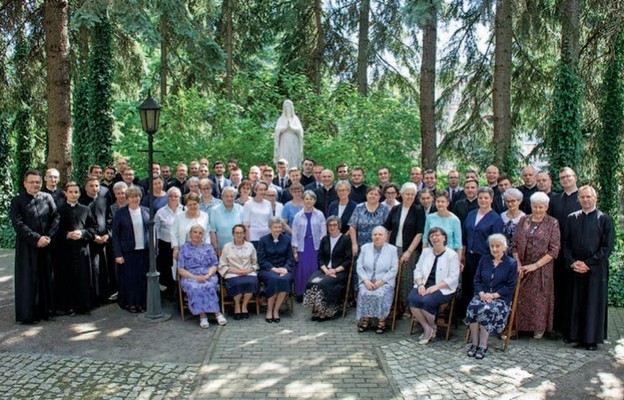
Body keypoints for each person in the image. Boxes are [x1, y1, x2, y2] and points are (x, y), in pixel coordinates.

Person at [561, 186, 614, 350]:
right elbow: (565, 243)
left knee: (592, 304)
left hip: (595, 271)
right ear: (578, 199)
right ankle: (575, 336)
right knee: (575, 302)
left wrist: (588, 264)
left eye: (588, 197)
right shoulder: (571, 218)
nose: (585, 200)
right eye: (582, 197)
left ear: (595, 198)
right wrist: (572, 262)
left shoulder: (605, 219)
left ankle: (591, 340)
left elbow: (606, 247)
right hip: (575, 268)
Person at [10, 170, 60, 324]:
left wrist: (48, 237)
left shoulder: (47, 197)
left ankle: (47, 311)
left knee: (46, 277)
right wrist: (36, 238)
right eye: (31, 182)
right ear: (25, 183)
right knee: (28, 279)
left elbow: (55, 217)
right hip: (27, 246)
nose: (35, 185)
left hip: (46, 245)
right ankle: (28, 315)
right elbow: (18, 224)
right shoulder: (17, 201)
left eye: (37, 182)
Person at [512, 192, 560, 339]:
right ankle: (519, 327)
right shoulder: (523, 220)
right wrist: (518, 264)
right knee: (521, 297)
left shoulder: (552, 223)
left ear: (546, 207)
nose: (538, 210)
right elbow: (513, 245)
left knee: (539, 299)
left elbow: (554, 250)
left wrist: (536, 265)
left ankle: (539, 328)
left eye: (541, 207)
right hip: (523, 267)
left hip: (541, 269)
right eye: (535, 206)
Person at [464, 234, 518, 360]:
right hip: (482, 295)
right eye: (492, 246)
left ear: (504, 247)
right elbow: (477, 280)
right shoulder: (484, 259)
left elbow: (510, 287)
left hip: (500, 299)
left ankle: (483, 345)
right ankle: (474, 343)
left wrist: (493, 296)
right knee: (473, 306)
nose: (494, 249)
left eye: (497, 246)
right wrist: (482, 293)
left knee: (487, 309)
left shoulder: (511, 263)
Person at [408, 227, 460, 344]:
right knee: (412, 298)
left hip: (443, 288)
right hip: (424, 284)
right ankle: (428, 328)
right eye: (432, 236)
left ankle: (431, 326)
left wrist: (436, 287)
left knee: (427, 301)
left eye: (437, 235)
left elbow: (453, 277)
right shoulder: (426, 252)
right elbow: (418, 270)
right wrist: (420, 285)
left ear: (444, 238)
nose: (434, 238)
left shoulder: (452, 255)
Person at [382, 182, 425, 318]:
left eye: (413, 194)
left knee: (407, 279)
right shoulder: (395, 209)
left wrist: (409, 251)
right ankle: (396, 306)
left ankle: (408, 308)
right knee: (394, 277)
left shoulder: (418, 210)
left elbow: (420, 233)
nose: (410, 197)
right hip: (394, 248)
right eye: (407, 194)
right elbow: (387, 228)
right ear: (401, 194)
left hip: (410, 250)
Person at [460, 187, 504, 317]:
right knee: (468, 286)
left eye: (486, 198)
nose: (483, 200)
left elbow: (497, 242)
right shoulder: (471, 214)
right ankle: (467, 316)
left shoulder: (496, 219)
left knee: (480, 287)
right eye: (480, 198)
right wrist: (462, 255)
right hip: (469, 257)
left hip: (485, 258)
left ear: (491, 199)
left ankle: (480, 316)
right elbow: (464, 236)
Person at [56, 182, 98, 316]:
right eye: (71, 192)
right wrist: (67, 235)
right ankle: (69, 307)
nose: (74, 195)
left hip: (82, 249)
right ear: (66, 194)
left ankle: (84, 306)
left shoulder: (86, 209)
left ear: (79, 194)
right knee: (67, 279)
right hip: (65, 250)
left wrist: (82, 233)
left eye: (76, 192)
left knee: (83, 277)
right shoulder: (59, 210)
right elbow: (55, 230)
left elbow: (93, 228)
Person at [177, 224, 227, 328]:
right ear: (190, 234)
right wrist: (195, 278)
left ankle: (216, 313)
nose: (197, 235)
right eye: (195, 232)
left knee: (209, 285)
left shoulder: (208, 247)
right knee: (196, 287)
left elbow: (214, 265)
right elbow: (180, 269)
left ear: (203, 235)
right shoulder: (184, 248)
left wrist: (207, 275)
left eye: (200, 233)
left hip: (207, 274)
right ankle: (203, 315)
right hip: (190, 276)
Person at [303, 216, 353, 321]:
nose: (332, 227)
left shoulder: (346, 239)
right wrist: (326, 270)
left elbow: (348, 260)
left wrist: (334, 270)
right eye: (329, 225)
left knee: (323, 283)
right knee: (311, 282)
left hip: (339, 271)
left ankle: (326, 311)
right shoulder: (325, 239)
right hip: (324, 270)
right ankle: (318, 308)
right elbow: (320, 257)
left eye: (334, 225)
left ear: (339, 226)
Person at [112, 187, 149, 313]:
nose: (135, 199)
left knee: (142, 279)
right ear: (128, 199)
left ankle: (142, 303)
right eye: (132, 197)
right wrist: (118, 254)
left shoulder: (146, 211)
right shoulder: (121, 213)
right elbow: (115, 235)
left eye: (137, 196)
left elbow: (151, 231)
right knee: (130, 279)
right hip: (128, 252)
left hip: (143, 251)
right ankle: (131, 303)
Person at [356, 226, 398, 334]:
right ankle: (366, 319)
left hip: (384, 282)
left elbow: (394, 269)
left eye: (380, 234)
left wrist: (381, 281)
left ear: (386, 237)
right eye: (375, 234)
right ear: (371, 236)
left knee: (380, 294)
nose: (377, 237)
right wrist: (365, 280)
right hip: (367, 281)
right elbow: (359, 266)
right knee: (364, 292)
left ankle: (381, 321)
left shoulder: (392, 249)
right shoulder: (365, 248)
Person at [257, 217, 295, 323]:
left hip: (283, 269)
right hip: (267, 270)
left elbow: (290, 258)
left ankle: (276, 310)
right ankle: (269, 310)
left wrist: (285, 268)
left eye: (279, 227)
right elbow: (261, 259)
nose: (277, 229)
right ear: (270, 228)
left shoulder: (286, 240)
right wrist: (274, 269)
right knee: (273, 279)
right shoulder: (263, 240)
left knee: (285, 279)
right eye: (275, 227)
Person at [218, 225, 259, 320]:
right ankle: (237, 305)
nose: (239, 235)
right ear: (233, 234)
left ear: (244, 234)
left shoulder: (250, 246)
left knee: (251, 282)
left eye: (241, 233)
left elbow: (255, 263)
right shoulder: (227, 246)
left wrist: (249, 270)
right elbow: (222, 265)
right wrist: (235, 271)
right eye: (237, 233)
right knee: (237, 283)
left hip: (248, 272)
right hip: (232, 273)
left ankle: (244, 305)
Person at [291, 191, 327, 300]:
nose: (309, 201)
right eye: (306, 199)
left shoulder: (319, 214)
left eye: (311, 199)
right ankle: (301, 293)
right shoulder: (298, 216)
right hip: (303, 246)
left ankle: (314, 294)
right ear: (303, 200)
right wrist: (295, 250)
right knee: (302, 269)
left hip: (316, 245)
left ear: (315, 201)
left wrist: (322, 246)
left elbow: (323, 231)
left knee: (314, 268)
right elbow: (294, 233)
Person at [154, 187, 184, 299]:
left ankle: (180, 291)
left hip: (181, 244)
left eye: (176, 196)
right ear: (167, 197)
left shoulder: (184, 210)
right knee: (167, 268)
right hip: (166, 244)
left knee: (180, 267)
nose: (173, 198)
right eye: (170, 196)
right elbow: (156, 230)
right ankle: (170, 291)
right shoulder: (160, 212)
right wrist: (155, 246)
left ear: (179, 198)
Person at [349, 186, 390, 258]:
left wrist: (386, 244)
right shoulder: (359, 207)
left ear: (380, 197)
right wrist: (354, 244)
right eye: (371, 194)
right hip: (361, 245)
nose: (373, 196)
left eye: (376, 194)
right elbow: (352, 226)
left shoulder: (384, 209)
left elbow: (388, 228)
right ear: (366, 195)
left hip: (379, 245)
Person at [171, 193, 210, 266]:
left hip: (201, 251)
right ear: (186, 206)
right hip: (184, 252)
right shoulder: (179, 216)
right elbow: (173, 233)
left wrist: (207, 249)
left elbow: (207, 234)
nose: (192, 207)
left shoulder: (205, 216)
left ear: (199, 204)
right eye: (190, 205)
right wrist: (175, 248)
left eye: (195, 204)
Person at [209, 186, 243, 252]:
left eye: (231, 196)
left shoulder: (240, 209)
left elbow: (244, 229)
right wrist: (216, 247)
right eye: (226, 196)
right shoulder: (214, 210)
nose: (229, 198)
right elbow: (212, 231)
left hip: (238, 248)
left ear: (235, 197)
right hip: (221, 249)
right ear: (222, 197)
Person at [274, 99, 304, 169]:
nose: (288, 109)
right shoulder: (281, 119)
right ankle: (284, 171)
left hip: (294, 141)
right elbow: (277, 130)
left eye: (289, 107)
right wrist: (284, 128)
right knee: (284, 156)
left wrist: (292, 128)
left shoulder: (295, 119)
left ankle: (294, 171)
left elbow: (300, 130)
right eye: (286, 107)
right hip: (284, 142)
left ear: (292, 108)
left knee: (294, 156)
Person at [242, 181, 272, 246]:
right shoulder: (248, 204)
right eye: (261, 190)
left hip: (267, 237)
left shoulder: (268, 203)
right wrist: (248, 242)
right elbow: (246, 225)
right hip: (253, 238)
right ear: (255, 191)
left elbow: (270, 222)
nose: (263, 192)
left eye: (265, 189)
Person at [500, 188, 525, 254]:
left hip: (518, 253)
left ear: (519, 201)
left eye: (513, 201)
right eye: (507, 201)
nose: (510, 204)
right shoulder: (501, 216)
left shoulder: (524, 218)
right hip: (502, 252)